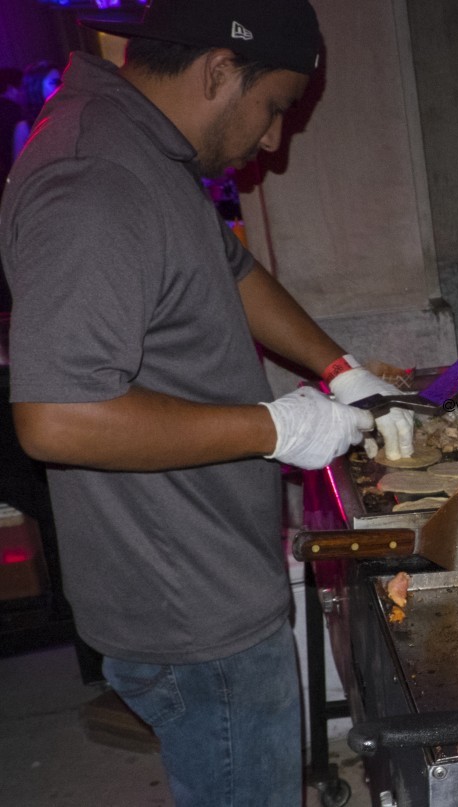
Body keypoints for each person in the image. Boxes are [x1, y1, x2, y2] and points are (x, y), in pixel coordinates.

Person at [0, 0, 415, 804]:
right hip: (193, 609)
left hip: (205, 572)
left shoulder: (146, 145)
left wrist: (339, 367)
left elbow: (227, 269)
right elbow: (54, 417)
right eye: (275, 110)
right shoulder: (97, 179)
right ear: (220, 70)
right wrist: (274, 429)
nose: (272, 141)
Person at [11, 60, 60, 156]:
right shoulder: (25, 128)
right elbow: (20, 169)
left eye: (61, 82)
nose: (61, 87)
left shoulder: (67, 114)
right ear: (36, 86)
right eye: (55, 82)